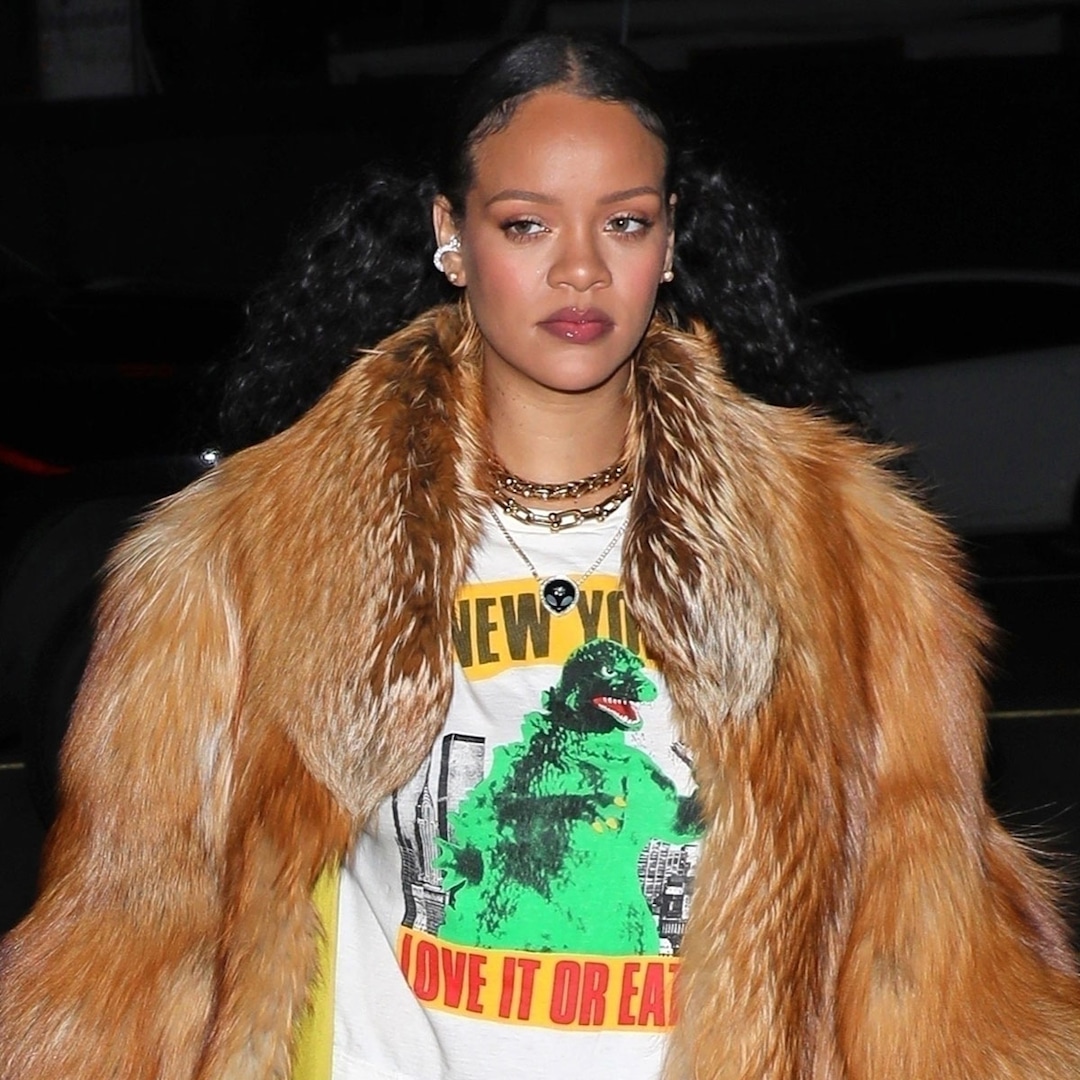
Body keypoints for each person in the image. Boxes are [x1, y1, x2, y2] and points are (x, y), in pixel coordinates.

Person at [2, 31, 1079, 1080]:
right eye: (525, 224)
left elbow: (927, 951)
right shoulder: (250, 551)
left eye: (625, 222)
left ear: (670, 238)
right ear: (451, 234)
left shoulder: (844, 550)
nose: (579, 269)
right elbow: (129, 939)